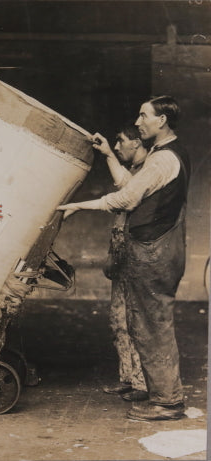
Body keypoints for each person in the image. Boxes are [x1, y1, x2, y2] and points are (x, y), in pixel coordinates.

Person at [57, 95, 190, 421]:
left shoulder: (161, 159)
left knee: (151, 325)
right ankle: (161, 394)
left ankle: (168, 402)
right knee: (147, 322)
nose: (139, 121)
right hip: (159, 248)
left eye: (144, 116)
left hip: (153, 252)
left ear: (161, 121)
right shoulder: (167, 154)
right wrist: (108, 155)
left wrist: (78, 206)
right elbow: (133, 184)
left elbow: (127, 199)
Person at [97, 124, 147, 403]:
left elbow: (126, 189)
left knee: (136, 321)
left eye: (121, 141)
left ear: (136, 143)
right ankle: (127, 377)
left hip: (137, 259)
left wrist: (107, 155)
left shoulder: (149, 171)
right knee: (118, 320)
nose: (118, 146)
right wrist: (111, 254)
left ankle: (142, 383)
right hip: (121, 258)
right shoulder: (137, 172)